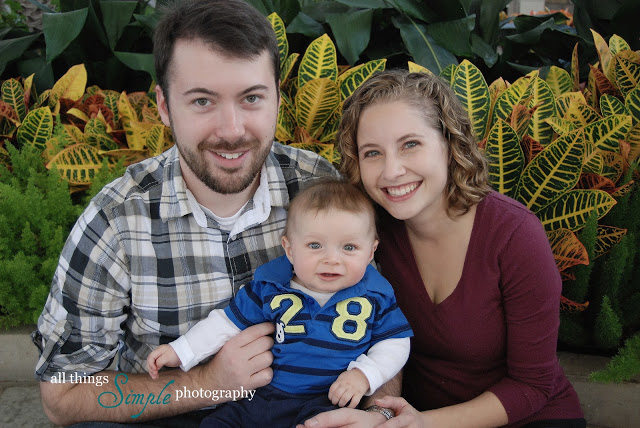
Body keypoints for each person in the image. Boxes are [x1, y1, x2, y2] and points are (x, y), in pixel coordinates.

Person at [32, 0, 339, 425]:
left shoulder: (320, 187)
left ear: (277, 97)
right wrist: (206, 384)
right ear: (163, 105)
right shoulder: (117, 220)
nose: (232, 130)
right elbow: (63, 392)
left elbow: (383, 313)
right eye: (202, 101)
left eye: (252, 98)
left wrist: (379, 408)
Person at [300, 70, 586, 428]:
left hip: (529, 417)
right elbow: (377, 341)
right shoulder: (368, 237)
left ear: (450, 144)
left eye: (410, 144)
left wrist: (423, 423)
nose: (391, 171)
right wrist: (380, 414)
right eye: (372, 153)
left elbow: (533, 385)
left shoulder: (515, 236)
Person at [146, 179, 413, 427]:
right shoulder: (271, 287)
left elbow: (396, 342)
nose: (332, 259)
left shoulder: (375, 295)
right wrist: (182, 350)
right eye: (315, 245)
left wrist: (365, 375)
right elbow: (226, 323)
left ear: (371, 252)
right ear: (289, 249)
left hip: (328, 400)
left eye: (349, 248)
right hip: (265, 395)